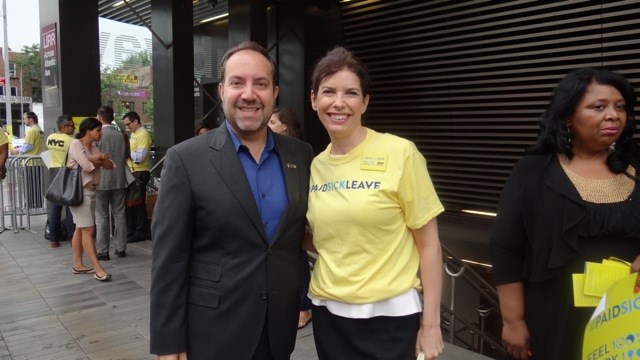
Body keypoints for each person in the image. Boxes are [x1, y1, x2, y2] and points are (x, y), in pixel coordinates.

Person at [150, 41, 314, 360]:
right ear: (223, 90)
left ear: (274, 93)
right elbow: (168, 260)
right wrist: (168, 343)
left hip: (278, 330)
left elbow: (295, 239)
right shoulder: (185, 160)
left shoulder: (300, 155)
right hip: (212, 332)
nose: (249, 94)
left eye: (261, 84)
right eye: (238, 82)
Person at [490, 68, 640, 359]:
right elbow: (506, 247)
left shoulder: (636, 161)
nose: (613, 115)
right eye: (599, 107)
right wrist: (513, 320)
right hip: (554, 317)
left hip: (628, 312)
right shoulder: (533, 170)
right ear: (568, 116)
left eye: (620, 107)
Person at [305, 46, 444, 360]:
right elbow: (319, 237)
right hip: (330, 314)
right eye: (328, 91)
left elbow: (430, 245)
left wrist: (431, 324)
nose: (338, 103)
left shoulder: (400, 153)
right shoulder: (315, 166)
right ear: (314, 99)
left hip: (390, 316)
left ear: (365, 101)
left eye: (351, 93)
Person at [268, 107, 312, 329]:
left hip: (294, 221)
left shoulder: (301, 153)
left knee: (300, 262)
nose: (269, 125)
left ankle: (304, 307)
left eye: (273, 122)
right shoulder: (269, 150)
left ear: (285, 125)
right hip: (276, 225)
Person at [67, 117, 114, 282]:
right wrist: (97, 159)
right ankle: (97, 268)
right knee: (88, 230)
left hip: (91, 191)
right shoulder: (76, 144)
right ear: (88, 131)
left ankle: (78, 264)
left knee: (80, 228)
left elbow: (111, 166)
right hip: (80, 193)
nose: (101, 133)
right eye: (98, 130)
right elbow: (87, 167)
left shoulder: (93, 147)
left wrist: (100, 160)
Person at [96, 106, 129, 260]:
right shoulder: (120, 134)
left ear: (100, 117)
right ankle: (121, 248)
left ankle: (103, 251)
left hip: (101, 181)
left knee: (102, 216)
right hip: (119, 179)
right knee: (120, 215)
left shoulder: (98, 135)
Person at [45, 115, 76, 248]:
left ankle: (53, 238)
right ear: (63, 126)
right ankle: (71, 237)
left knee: (55, 208)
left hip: (54, 174)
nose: (74, 127)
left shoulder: (50, 138)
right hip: (67, 174)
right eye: (71, 125)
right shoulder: (72, 141)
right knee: (70, 207)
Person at [123, 111, 152, 243]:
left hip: (140, 172)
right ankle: (133, 230)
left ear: (136, 121)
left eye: (128, 124)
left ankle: (140, 232)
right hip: (132, 171)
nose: (127, 127)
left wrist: (128, 153)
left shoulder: (143, 134)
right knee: (131, 203)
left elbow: (140, 157)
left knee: (138, 203)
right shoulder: (134, 134)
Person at [12, 111, 45, 209]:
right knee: (38, 185)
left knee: (29, 186)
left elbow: (28, 146)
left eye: (25, 118)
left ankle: (30, 205)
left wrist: (17, 151)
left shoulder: (31, 131)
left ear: (31, 119)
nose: (23, 120)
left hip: (29, 163)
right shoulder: (39, 130)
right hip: (38, 162)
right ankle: (38, 204)